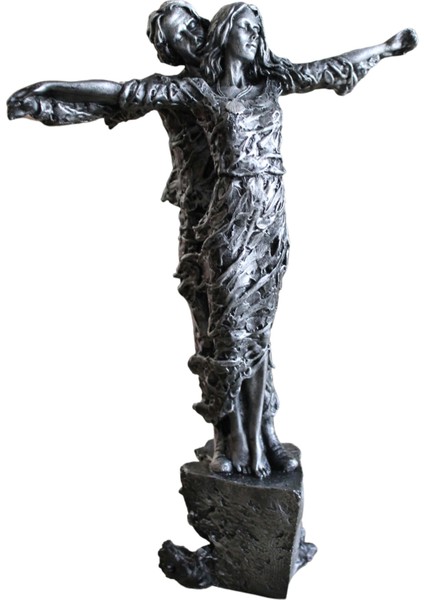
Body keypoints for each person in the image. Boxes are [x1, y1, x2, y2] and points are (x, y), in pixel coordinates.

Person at [7, 3, 417, 477]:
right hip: (211, 219)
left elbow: (326, 70)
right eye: (177, 37)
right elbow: (119, 96)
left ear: (207, 29)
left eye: (190, 28)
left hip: (266, 218)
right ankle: (229, 435)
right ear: (170, 49)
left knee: (255, 326)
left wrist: (385, 48)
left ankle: (264, 432)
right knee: (218, 328)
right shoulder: (189, 90)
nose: (188, 39)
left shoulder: (265, 79)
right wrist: (46, 95)